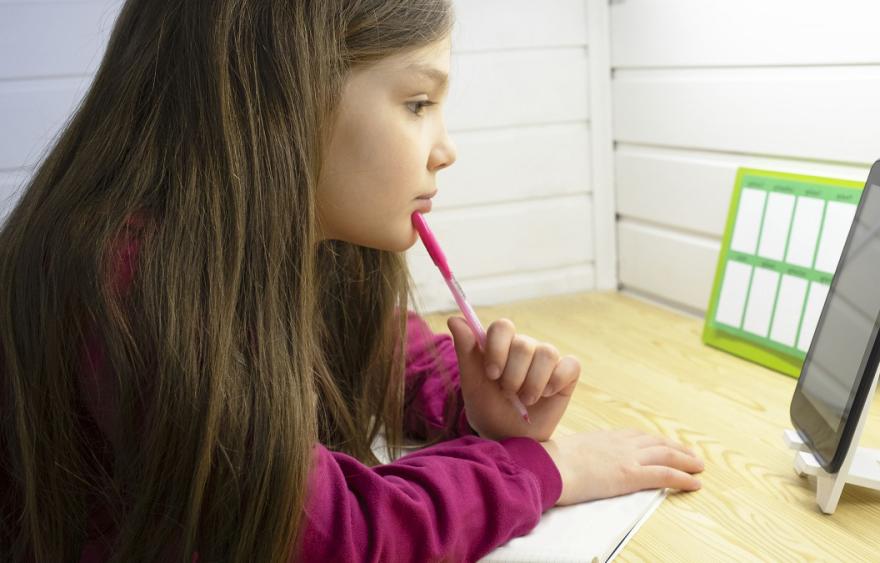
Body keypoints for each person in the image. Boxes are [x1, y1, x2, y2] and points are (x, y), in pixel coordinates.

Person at [0, 1, 705, 561]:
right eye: (418, 103)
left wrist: (470, 398)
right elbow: (320, 531)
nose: (446, 148)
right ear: (285, 96)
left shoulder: (306, 240)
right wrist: (540, 468)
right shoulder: (125, 280)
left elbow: (386, 350)